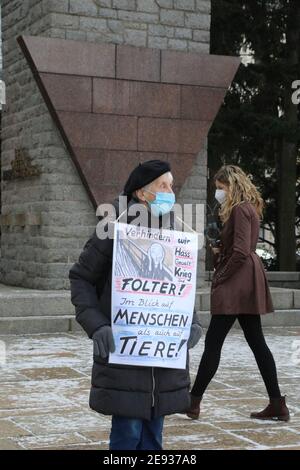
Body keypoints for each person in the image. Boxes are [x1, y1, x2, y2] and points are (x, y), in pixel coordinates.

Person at [69, 160, 202, 450]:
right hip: (124, 354)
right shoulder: (112, 229)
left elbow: (178, 289)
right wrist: (98, 326)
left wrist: (192, 322)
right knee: (127, 435)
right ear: (142, 194)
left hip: (163, 357)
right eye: (163, 186)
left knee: (154, 437)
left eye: (171, 185)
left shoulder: (176, 233)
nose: (171, 192)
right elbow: (80, 279)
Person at [186, 165, 290, 422]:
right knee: (256, 342)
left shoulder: (241, 209)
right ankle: (276, 403)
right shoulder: (246, 208)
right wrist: (223, 249)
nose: (218, 194)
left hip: (237, 280)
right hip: (245, 279)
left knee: (215, 343)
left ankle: (193, 402)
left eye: (221, 189)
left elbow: (242, 251)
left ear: (231, 186)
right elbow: (240, 247)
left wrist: (221, 276)